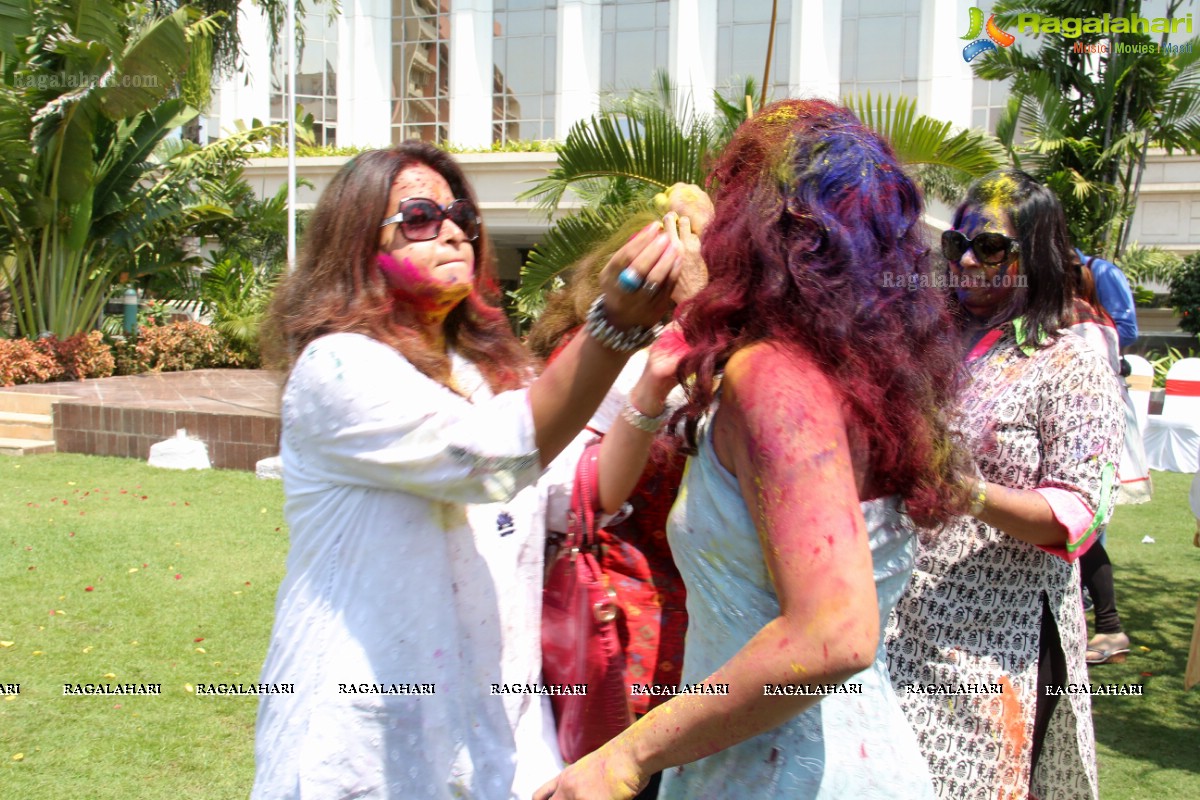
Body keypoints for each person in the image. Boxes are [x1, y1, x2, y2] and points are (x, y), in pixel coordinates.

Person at [535, 98, 970, 800]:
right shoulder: (857, 376)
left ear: (755, 226)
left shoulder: (775, 379)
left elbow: (835, 633)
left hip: (783, 777)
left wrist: (624, 758)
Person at [251, 141, 682, 799]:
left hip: (496, 747)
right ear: (357, 243)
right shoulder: (336, 369)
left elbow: (584, 495)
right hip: (367, 752)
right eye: (420, 216)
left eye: (461, 217)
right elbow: (497, 459)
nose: (453, 229)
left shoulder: (484, 380)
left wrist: (650, 386)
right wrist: (611, 326)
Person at [885, 169, 1125, 799]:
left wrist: (975, 494)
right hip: (899, 628)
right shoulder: (927, 345)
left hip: (998, 645)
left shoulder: (1069, 361)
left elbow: (1082, 511)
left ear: (1034, 256)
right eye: (956, 245)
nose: (966, 259)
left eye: (989, 247)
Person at [529, 195, 710, 799]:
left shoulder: (725, 356)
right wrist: (655, 385)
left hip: (697, 655)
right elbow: (589, 492)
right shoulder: (613, 356)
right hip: (618, 644)